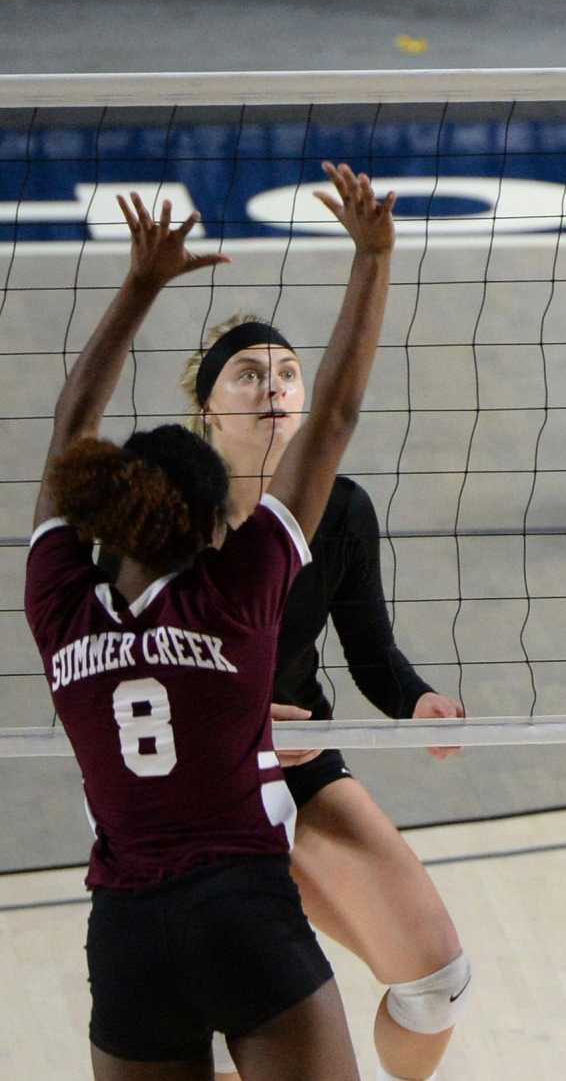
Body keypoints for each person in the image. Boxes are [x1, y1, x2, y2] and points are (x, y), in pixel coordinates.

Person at [25, 164, 395, 1079]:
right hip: (242, 913)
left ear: (105, 516)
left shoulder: (59, 605)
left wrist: (139, 284)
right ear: (206, 526)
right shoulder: (236, 596)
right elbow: (336, 416)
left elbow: (71, 429)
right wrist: (374, 257)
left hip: (125, 934)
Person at [182, 315, 470, 1081]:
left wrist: (417, 701)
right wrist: (239, 725)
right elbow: (109, 670)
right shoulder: (161, 508)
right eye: (247, 372)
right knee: (223, 1019)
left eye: (286, 372)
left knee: (436, 987)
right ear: (208, 405)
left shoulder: (342, 509)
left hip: (299, 766)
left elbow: (371, 653)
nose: (272, 385)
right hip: (185, 785)